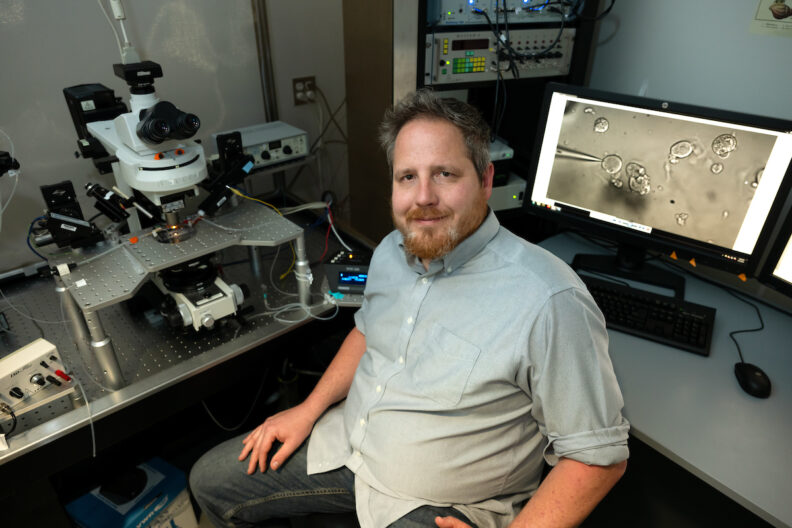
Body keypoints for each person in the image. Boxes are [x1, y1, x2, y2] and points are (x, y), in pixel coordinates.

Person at [190, 89, 630, 528]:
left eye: (444, 174)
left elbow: (597, 461)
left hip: (439, 505)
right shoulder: (390, 251)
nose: (423, 196)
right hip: (350, 447)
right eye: (407, 177)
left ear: (486, 179)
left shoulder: (549, 300)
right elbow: (367, 334)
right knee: (209, 480)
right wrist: (306, 410)